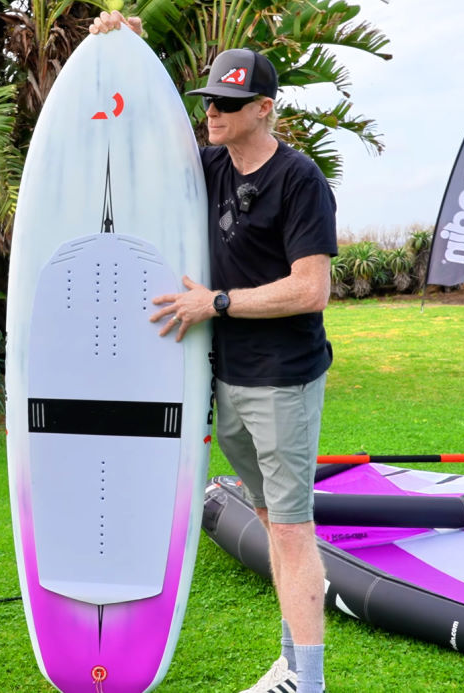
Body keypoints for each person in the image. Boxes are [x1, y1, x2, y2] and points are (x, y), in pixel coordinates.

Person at [92, 12, 337, 693]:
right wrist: (125, 49)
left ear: (264, 108)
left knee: (289, 529)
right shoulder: (208, 164)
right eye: (210, 103)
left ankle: (307, 680)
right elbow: (136, 132)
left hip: (281, 379)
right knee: (268, 519)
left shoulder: (298, 180)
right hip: (226, 378)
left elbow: (310, 288)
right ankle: (292, 666)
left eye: (230, 105)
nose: (214, 115)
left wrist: (217, 303)